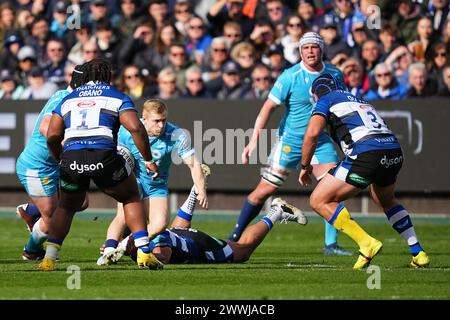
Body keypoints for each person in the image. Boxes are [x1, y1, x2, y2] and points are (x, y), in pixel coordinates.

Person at [228, 32, 352, 256]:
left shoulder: (335, 74)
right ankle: (234, 237)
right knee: (264, 190)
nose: (310, 51)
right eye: (306, 48)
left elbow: (341, 107)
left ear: (321, 49)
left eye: (314, 47)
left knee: (332, 190)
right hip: (291, 141)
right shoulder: (290, 76)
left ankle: (331, 244)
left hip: (320, 140)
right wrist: (253, 140)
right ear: (300, 51)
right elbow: (268, 108)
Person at [37, 58, 160, 271]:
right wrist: (148, 159)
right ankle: (144, 253)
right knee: (130, 196)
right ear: (108, 76)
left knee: (66, 206)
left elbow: (52, 136)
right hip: (104, 156)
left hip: (72, 158)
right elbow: (136, 128)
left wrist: (60, 159)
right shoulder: (116, 96)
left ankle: (49, 258)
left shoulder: (68, 99)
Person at [299, 73, 430, 269]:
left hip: (366, 154)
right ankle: (418, 252)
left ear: (317, 93)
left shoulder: (326, 99)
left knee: (319, 200)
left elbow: (312, 134)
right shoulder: (359, 100)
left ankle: (366, 243)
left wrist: (304, 166)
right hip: (393, 151)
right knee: (385, 200)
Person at [96, 99, 208, 265]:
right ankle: (108, 250)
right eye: (156, 121)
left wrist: (201, 188)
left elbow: (194, 163)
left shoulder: (176, 134)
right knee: (122, 216)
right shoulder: (127, 132)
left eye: (163, 120)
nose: (161, 126)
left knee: (160, 223)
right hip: (133, 179)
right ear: (144, 119)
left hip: (157, 185)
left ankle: (121, 247)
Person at [15, 64, 88, 261]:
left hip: (55, 165)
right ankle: (31, 251)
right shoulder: (63, 98)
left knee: (81, 202)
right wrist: (66, 146)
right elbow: (44, 127)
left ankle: (31, 211)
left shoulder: (74, 98)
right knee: (52, 219)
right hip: (37, 167)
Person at [111, 197, 306, 267]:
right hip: (180, 234)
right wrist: (112, 250)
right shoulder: (144, 235)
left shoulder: (148, 239)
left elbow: (164, 255)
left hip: (199, 245)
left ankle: (277, 211)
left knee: (241, 252)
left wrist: (144, 258)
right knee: (174, 230)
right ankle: (194, 192)